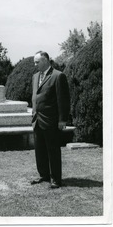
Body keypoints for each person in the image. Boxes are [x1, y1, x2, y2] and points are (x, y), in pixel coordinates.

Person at [31, 51, 70, 189]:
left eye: (37, 62)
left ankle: (56, 179)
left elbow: (63, 100)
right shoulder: (35, 77)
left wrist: (62, 120)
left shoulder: (58, 76)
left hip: (51, 120)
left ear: (46, 60)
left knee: (53, 150)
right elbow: (35, 97)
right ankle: (44, 175)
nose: (35, 64)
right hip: (37, 120)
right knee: (39, 150)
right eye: (34, 62)